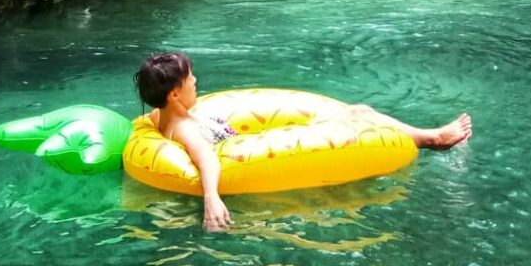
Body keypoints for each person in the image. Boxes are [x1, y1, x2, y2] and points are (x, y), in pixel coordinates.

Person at [134, 51, 473, 230]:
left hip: (250, 141)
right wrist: (212, 198)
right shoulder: (186, 129)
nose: (197, 81)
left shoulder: (161, 117)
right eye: (191, 79)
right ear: (176, 94)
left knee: (358, 111)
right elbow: (206, 157)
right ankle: (432, 139)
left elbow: (145, 121)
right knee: (360, 113)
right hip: (255, 153)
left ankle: (430, 136)